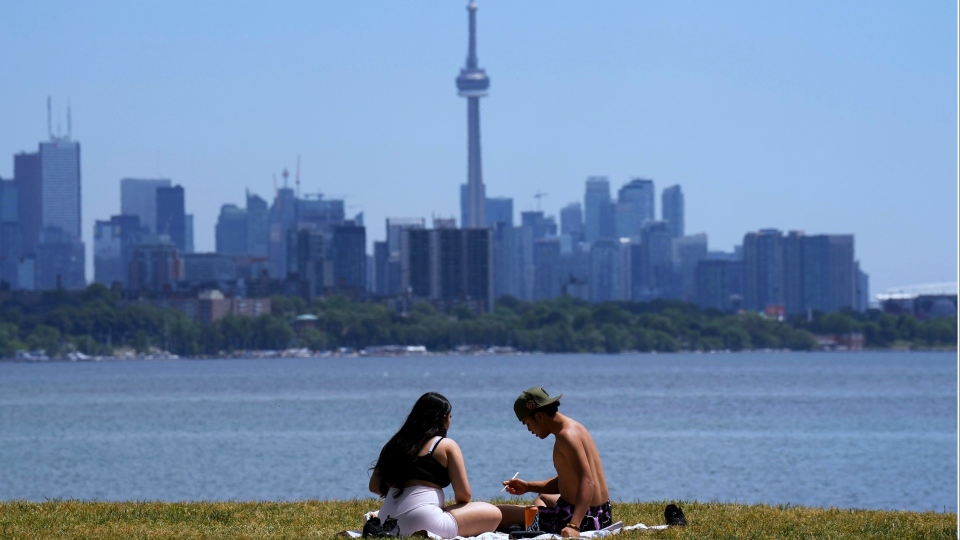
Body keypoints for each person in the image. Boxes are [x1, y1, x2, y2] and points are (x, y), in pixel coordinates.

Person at [368, 392, 501, 538]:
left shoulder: (394, 444)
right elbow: (464, 495)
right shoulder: (445, 445)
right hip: (423, 521)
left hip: (385, 519)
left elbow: (374, 487)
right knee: (494, 513)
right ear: (443, 418)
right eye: (450, 417)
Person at [497, 387, 612, 538]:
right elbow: (570, 479)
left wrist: (573, 526)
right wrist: (527, 486)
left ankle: (537, 525)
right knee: (542, 497)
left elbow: (588, 481)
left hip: (582, 519)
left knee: (499, 512)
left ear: (539, 416)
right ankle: (537, 522)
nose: (529, 430)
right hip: (602, 514)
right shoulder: (574, 427)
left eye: (527, 424)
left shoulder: (566, 436)